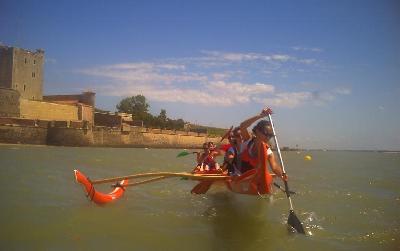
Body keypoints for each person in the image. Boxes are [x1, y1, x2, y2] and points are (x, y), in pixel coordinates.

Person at [238, 107, 287, 181]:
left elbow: (274, 167)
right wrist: (261, 116)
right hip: (238, 173)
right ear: (257, 131)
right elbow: (242, 126)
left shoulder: (268, 152)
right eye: (266, 134)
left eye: (270, 135)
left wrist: (282, 175)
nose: (268, 137)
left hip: (253, 177)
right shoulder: (247, 140)